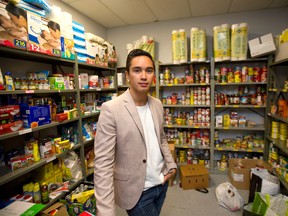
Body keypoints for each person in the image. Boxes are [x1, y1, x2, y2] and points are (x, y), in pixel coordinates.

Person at [94, 49, 177, 216]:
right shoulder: (111, 109)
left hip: (161, 183)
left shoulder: (158, 104)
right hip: (136, 192)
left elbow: (160, 138)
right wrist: (106, 212)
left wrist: (171, 165)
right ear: (127, 75)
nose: (144, 76)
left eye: (149, 70)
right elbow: (103, 165)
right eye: (137, 70)